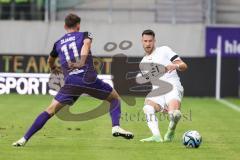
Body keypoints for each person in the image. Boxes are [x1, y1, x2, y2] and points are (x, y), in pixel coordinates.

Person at [12, 13, 134, 147]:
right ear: (78, 26)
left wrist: (53, 68)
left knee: (50, 110)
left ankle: (24, 139)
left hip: (71, 83)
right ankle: (116, 126)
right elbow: (86, 45)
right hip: (88, 79)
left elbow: (50, 59)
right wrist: (81, 62)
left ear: (65, 26)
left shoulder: (58, 43)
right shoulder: (85, 34)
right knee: (115, 98)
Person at [139, 29, 187, 142]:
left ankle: (171, 130)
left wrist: (176, 66)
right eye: (145, 41)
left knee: (174, 114)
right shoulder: (142, 63)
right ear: (142, 41)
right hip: (158, 90)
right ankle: (156, 136)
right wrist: (161, 108)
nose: (148, 44)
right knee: (147, 107)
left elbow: (184, 65)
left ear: (154, 41)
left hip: (172, 85)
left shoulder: (164, 50)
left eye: (150, 41)